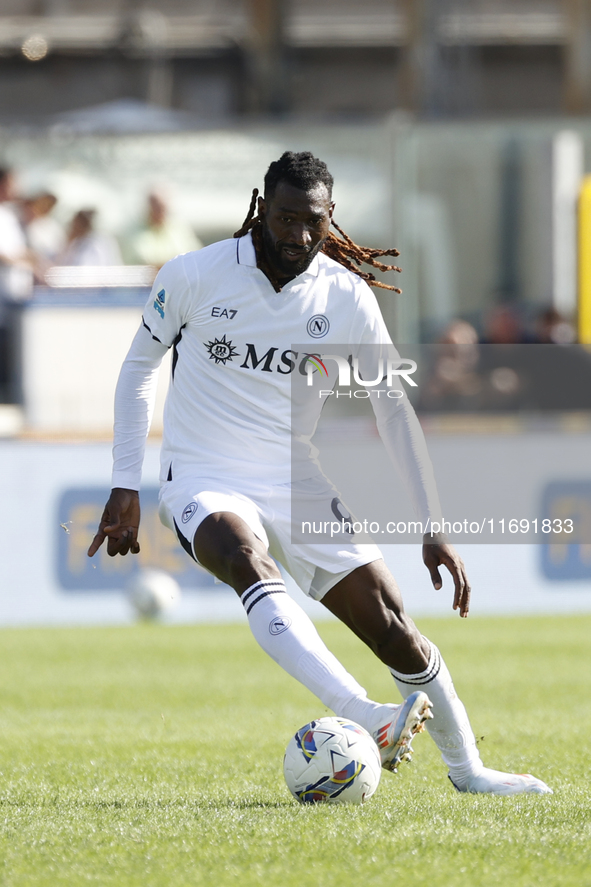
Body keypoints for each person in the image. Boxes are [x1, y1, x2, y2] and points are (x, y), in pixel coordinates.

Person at [88, 151, 551, 795]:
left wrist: (432, 524)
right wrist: (124, 481)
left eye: (313, 222)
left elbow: (394, 412)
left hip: (294, 477)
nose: (298, 237)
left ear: (331, 219)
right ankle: (363, 714)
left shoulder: (347, 296)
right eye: (284, 219)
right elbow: (139, 368)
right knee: (243, 553)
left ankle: (468, 769)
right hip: (203, 473)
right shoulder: (195, 274)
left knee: (391, 624)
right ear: (261, 207)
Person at [124, 189, 202, 270]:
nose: (160, 210)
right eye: (156, 206)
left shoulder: (179, 227)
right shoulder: (134, 230)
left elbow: (194, 255)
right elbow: (141, 258)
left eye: (163, 206)